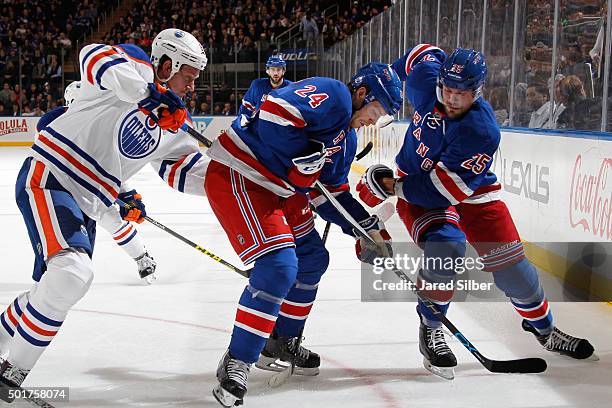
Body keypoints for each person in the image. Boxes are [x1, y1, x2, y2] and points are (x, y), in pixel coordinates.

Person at [356, 45, 595, 381]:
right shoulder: (427, 78)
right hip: (419, 183)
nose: (452, 99)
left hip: (466, 191)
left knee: (516, 273)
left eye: (462, 94)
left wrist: (390, 187)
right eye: (448, 90)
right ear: (439, 82)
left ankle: (545, 330)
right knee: (447, 247)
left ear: (477, 91)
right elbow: (413, 56)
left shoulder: (481, 130)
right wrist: (386, 91)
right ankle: (432, 327)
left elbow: (444, 190)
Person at [0, 28, 208, 402]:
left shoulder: (174, 119)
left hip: (88, 204)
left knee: (51, 290)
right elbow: (91, 55)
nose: (192, 87)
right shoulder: (132, 68)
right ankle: (8, 381)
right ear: (167, 64)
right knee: (71, 275)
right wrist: (150, 96)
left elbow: (186, 171)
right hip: (51, 179)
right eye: (188, 76)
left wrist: (239, 183)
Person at [206, 63, 402, 406]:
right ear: (361, 94)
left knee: (313, 258)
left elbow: (332, 196)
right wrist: (301, 154)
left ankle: (281, 340)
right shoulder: (337, 96)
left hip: (280, 191)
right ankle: (238, 360)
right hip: (243, 174)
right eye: (376, 110)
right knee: (279, 267)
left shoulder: (349, 137)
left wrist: (366, 229)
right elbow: (274, 112)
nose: (374, 121)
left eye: (381, 117)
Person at [36, 80, 158, 284]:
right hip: (60, 185)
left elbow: (110, 161)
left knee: (110, 219)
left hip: (88, 186)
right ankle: (53, 270)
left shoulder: (97, 121)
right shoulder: (57, 121)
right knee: (56, 228)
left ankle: (142, 257)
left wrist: (128, 194)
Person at [237, 54, 292, 127]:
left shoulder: (291, 88)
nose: (275, 73)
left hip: (282, 129)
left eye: (278, 69)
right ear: (267, 71)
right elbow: (246, 106)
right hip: (260, 128)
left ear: (283, 71)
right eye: (272, 69)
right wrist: (242, 119)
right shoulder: (258, 85)